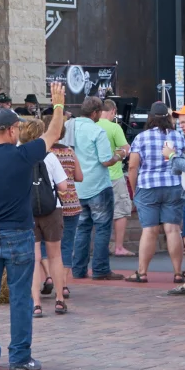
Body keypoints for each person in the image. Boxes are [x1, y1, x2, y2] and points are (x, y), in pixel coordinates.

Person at [0, 82, 67, 370]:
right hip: (19, 233)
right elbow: (53, 134)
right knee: (20, 298)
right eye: (17, 129)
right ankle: (19, 357)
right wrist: (58, 105)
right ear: (10, 130)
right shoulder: (23, 156)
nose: (19, 132)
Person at [18, 118, 73, 317]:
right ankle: (59, 299)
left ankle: (36, 304)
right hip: (52, 209)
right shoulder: (49, 157)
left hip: (27, 211)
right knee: (55, 256)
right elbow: (63, 187)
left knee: (33, 258)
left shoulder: (18, 156)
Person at [125, 103, 183, 284]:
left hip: (148, 187)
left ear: (150, 117)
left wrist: (134, 190)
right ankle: (178, 272)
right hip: (173, 185)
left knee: (149, 230)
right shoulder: (178, 137)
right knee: (173, 229)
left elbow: (133, 166)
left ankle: (142, 273)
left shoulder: (141, 138)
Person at [68, 97, 119, 282]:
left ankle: (78, 269)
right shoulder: (97, 131)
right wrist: (119, 155)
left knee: (81, 229)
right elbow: (105, 160)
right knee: (102, 228)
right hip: (98, 185)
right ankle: (100, 268)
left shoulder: (70, 127)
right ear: (96, 113)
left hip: (77, 185)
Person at [161, 105, 185, 296]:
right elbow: (178, 168)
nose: (180, 126)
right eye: (179, 122)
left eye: (184, 121)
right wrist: (175, 159)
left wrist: (171, 156)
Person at [43, 123, 82, 303]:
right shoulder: (69, 152)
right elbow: (79, 177)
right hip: (71, 203)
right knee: (66, 244)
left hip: (50, 204)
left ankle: (49, 276)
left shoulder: (44, 153)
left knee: (45, 243)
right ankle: (64, 283)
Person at [97, 99, 134, 257]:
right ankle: (118, 247)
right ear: (112, 111)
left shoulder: (91, 126)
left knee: (96, 213)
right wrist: (121, 154)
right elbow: (125, 148)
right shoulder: (114, 127)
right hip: (114, 175)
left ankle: (99, 248)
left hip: (95, 177)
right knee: (121, 211)